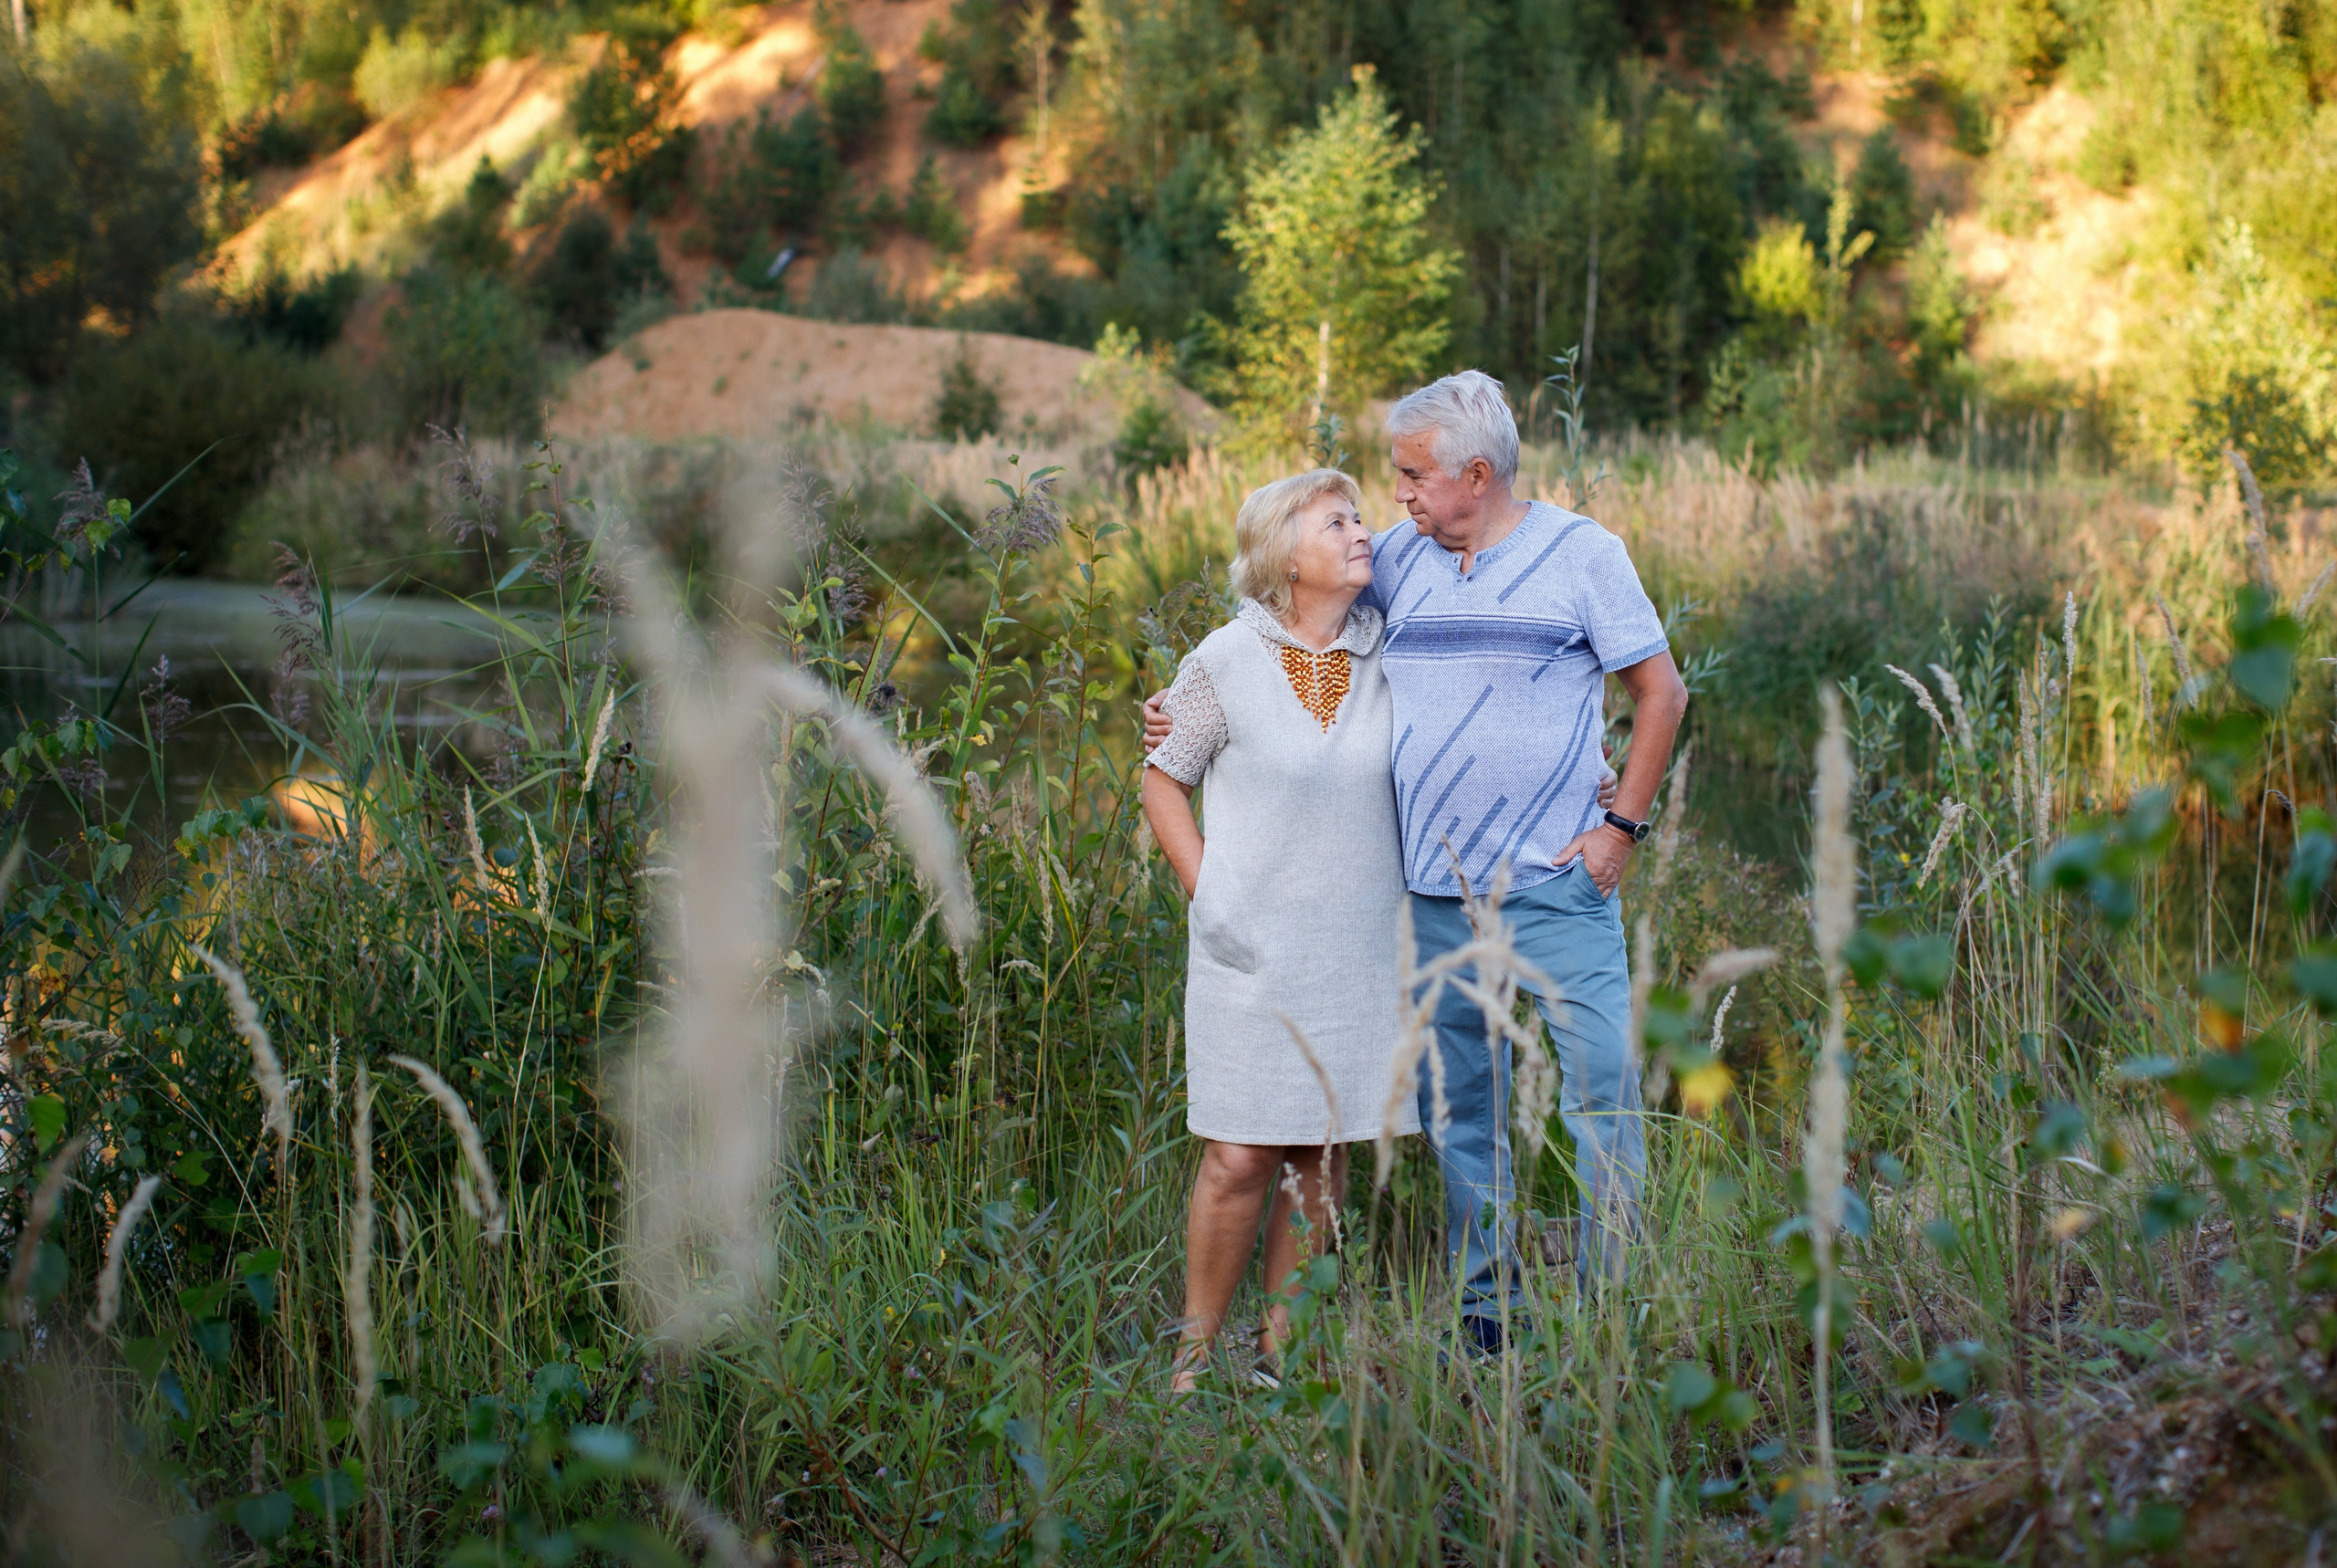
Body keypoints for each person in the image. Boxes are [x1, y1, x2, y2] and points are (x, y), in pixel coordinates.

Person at [1147, 371, 1684, 1355]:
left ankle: (1618, 1311)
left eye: (1409, 475)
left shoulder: (1584, 554)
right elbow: (1286, 615)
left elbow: (1661, 690)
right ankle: (1489, 1311)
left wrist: (1621, 828)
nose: (1390, 498)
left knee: (1600, 1087)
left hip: (1560, 885)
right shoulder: (1395, 559)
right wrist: (1180, 716)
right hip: (1434, 896)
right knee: (1463, 1115)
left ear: (1473, 475)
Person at [1141, 467, 1418, 1393]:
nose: (1359, 530)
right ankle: (1189, 1365)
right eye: (1333, 520)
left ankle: (1279, 1356)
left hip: (1360, 943)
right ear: (1280, 555)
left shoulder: (1392, 654)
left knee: (1321, 1151)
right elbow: (1161, 774)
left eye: (1359, 516)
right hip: (1248, 943)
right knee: (1238, 1154)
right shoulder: (1224, 658)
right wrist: (1205, 885)